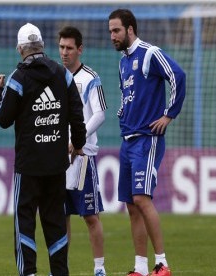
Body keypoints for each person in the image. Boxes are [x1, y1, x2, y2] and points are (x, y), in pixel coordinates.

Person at [0, 23, 86, 276]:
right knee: (56, 224)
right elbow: (77, 115)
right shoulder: (62, 74)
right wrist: (78, 144)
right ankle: (59, 272)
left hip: (28, 165)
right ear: (42, 46)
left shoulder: (17, 78)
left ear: (20, 48)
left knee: (25, 223)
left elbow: (3, 118)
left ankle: (29, 273)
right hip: (56, 165)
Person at [108, 9, 186, 276]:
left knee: (142, 198)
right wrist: (122, 115)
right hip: (128, 139)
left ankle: (162, 263)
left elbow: (178, 75)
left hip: (147, 139)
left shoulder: (150, 53)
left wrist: (169, 114)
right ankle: (140, 268)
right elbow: (125, 96)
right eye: (110, 31)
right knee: (131, 204)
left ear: (130, 29)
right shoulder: (122, 63)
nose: (112, 36)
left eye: (116, 30)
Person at [58, 26, 108, 276]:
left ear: (80, 49)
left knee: (90, 216)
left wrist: (78, 139)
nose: (64, 53)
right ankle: (61, 269)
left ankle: (99, 268)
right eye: (61, 47)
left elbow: (100, 114)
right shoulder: (55, 76)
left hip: (82, 156)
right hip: (58, 159)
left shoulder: (90, 77)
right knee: (61, 217)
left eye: (69, 48)